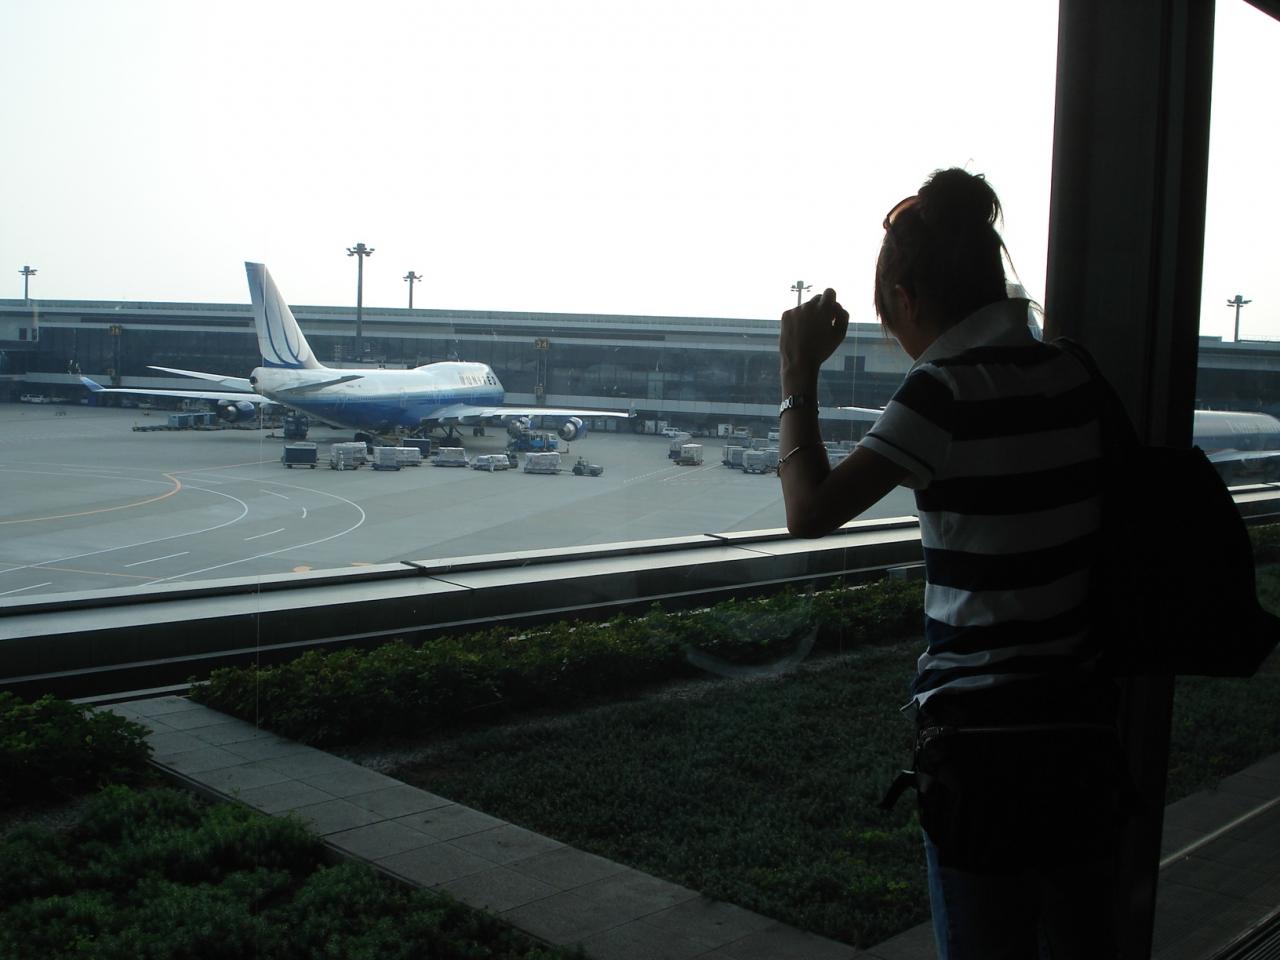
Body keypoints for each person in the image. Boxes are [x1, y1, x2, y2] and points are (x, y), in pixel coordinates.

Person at [776, 168, 1125, 959]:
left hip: (985, 749)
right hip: (1083, 728)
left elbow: (810, 511)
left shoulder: (941, 391)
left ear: (907, 297)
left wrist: (798, 375)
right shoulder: (1075, 371)